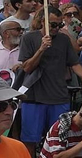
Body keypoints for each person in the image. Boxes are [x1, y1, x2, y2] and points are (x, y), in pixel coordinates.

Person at [15, 8, 77, 147]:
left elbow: (75, 63)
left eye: (59, 25)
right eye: (53, 25)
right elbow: (27, 68)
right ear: (43, 22)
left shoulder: (63, 39)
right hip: (33, 97)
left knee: (58, 139)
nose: (56, 28)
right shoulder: (29, 38)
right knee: (30, 140)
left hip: (58, 97)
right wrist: (41, 49)